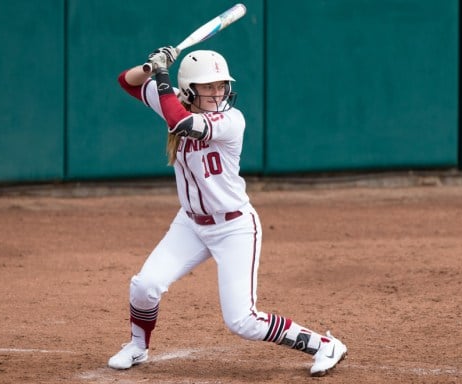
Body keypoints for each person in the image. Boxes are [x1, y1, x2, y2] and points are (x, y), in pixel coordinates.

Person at [107, 46, 347, 377]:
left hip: (234, 227)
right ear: (190, 89)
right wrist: (153, 64)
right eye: (209, 86)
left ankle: (324, 345)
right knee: (144, 285)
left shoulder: (230, 119)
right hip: (190, 225)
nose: (218, 92)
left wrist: (162, 75)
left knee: (242, 321)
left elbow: (180, 122)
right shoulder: (172, 100)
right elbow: (127, 81)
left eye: (221, 85)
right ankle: (137, 347)